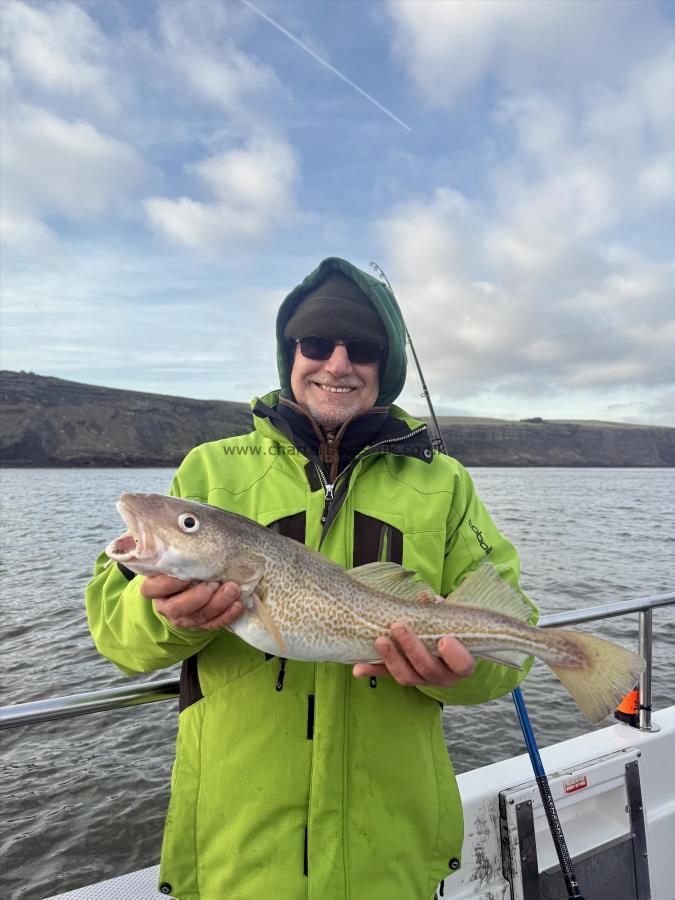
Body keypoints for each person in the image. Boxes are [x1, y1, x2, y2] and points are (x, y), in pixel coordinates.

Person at [86, 257, 536, 900]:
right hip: (235, 856)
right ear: (290, 354)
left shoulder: (447, 485)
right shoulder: (209, 472)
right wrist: (163, 617)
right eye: (316, 342)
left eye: (365, 348)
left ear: (389, 366)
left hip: (392, 858)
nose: (337, 362)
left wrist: (463, 674)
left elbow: (513, 641)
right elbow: (114, 635)